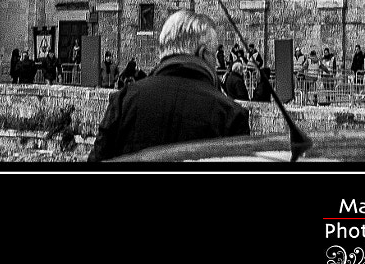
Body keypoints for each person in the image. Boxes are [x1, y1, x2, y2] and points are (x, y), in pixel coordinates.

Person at [88, 9, 251, 161]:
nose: (216, 62)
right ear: (202, 54)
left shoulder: (124, 100)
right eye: (214, 54)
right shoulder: (230, 114)